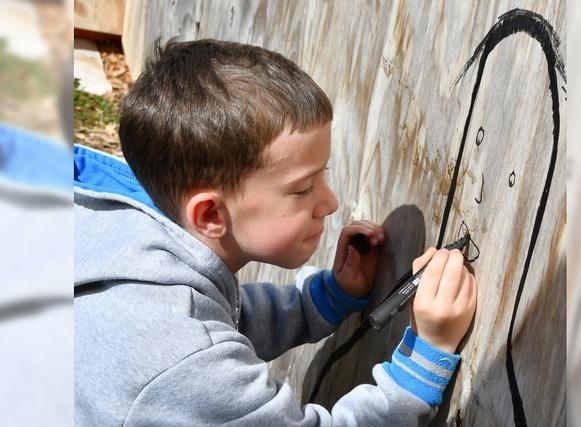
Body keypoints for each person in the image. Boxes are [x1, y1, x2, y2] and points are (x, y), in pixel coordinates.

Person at [74, 38, 477, 426]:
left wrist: (325, 298)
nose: (331, 201)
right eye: (303, 188)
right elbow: (195, 350)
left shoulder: (127, 232)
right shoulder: (177, 360)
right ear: (211, 213)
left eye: (324, 176)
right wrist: (426, 357)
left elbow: (220, 316)